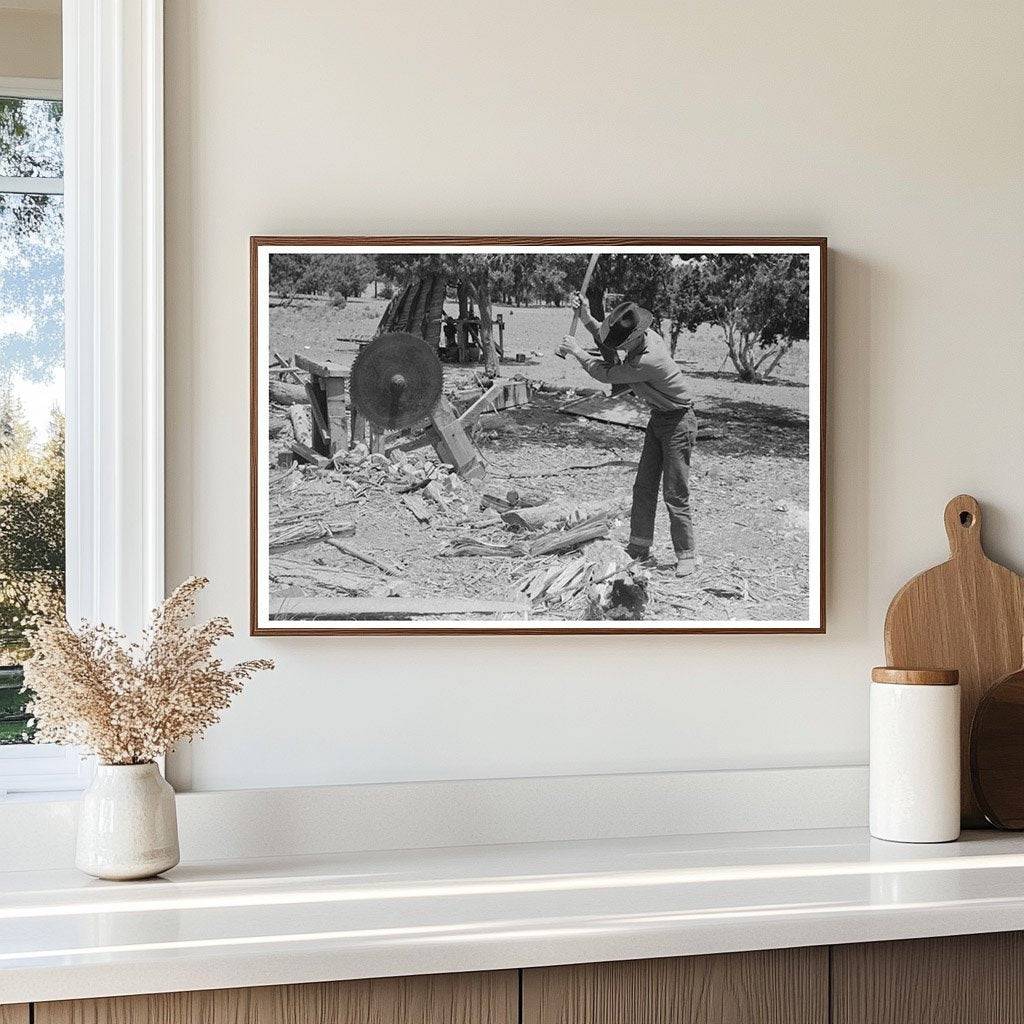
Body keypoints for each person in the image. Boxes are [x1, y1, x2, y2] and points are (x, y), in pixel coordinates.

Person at [557, 296, 698, 576]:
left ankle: (687, 555)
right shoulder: (642, 338)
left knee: (674, 493)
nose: (618, 347)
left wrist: (576, 352)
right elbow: (607, 337)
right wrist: (585, 315)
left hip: (679, 423)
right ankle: (639, 546)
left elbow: (606, 374)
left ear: (633, 340)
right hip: (659, 418)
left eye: (622, 345)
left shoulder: (648, 360)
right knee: (643, 487)